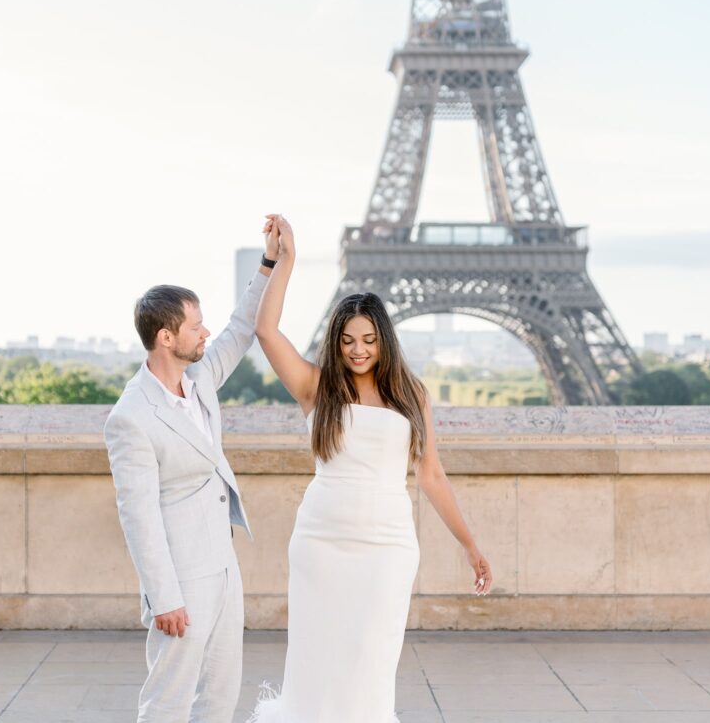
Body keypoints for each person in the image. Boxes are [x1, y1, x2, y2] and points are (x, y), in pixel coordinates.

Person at [249, 215, 493, 722]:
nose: (358, 349)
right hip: (322, 540)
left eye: (368, 339)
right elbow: (265, 331)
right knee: (316, 664)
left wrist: (470, 545)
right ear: (336, 343)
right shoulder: (318, 388)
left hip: (387, 545)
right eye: (347, 340)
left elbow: (431, 476)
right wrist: (283, 261)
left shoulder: (412, 395)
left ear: (384, 339)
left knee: (371, 664)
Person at [103, 222, 279, 722]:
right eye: (195, 326)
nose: (206, 332)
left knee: (220, 698)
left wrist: (267, 264)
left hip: (224, 567)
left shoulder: (199, 379)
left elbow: (241, 329)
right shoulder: (130, 417)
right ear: (165, 337)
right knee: (168, 700)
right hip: (180, 579)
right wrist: (165, 599)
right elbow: (138, 517)